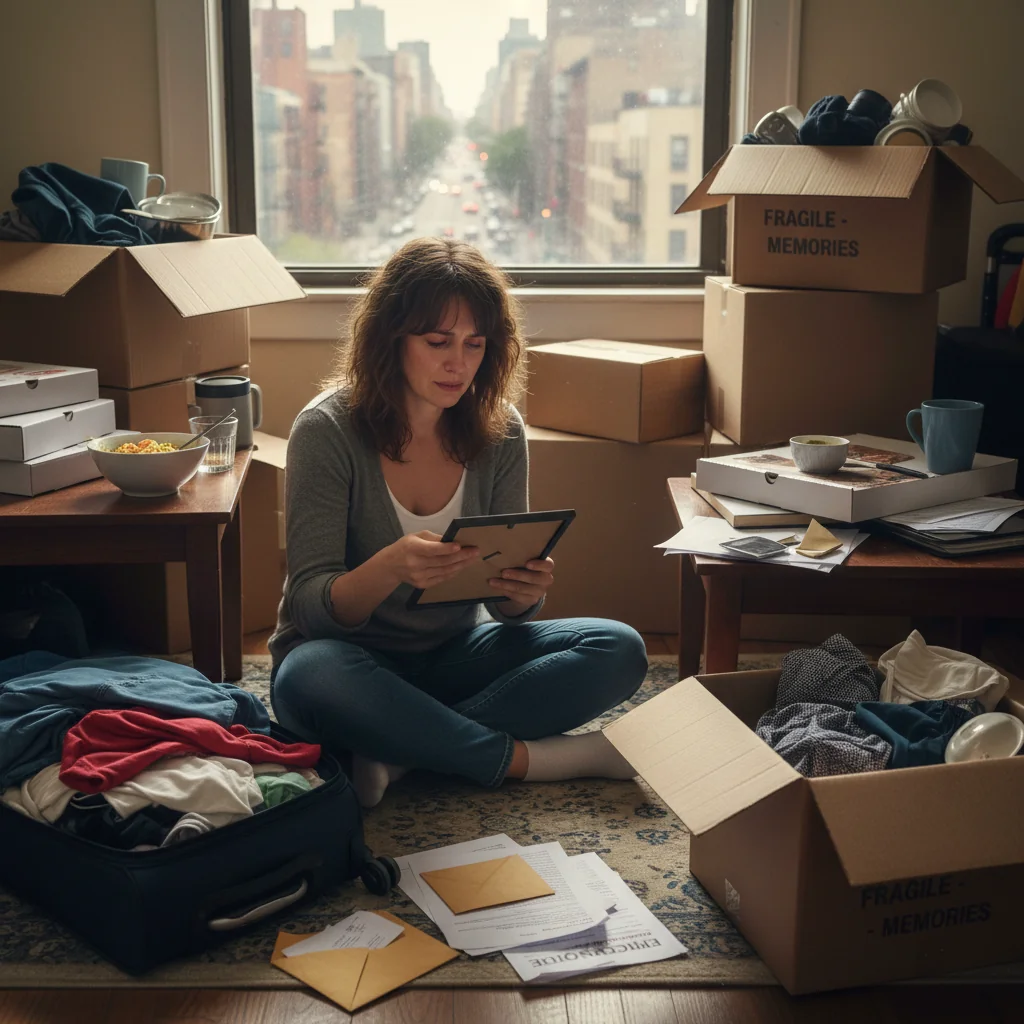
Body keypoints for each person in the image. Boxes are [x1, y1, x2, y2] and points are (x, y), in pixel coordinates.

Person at [269, 238, 647, 808]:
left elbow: (505, 611)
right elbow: (311, 609)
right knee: (308, 676)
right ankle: (531, 760)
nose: (458, 363)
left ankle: (401, 749)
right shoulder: (326, 431)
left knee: (618, 648)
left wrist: (525, 593)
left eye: (475, 344)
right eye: (437, 341)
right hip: (350, 661)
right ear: (389, 339)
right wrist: (389, 566)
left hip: (451, 656)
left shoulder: (501, 430)